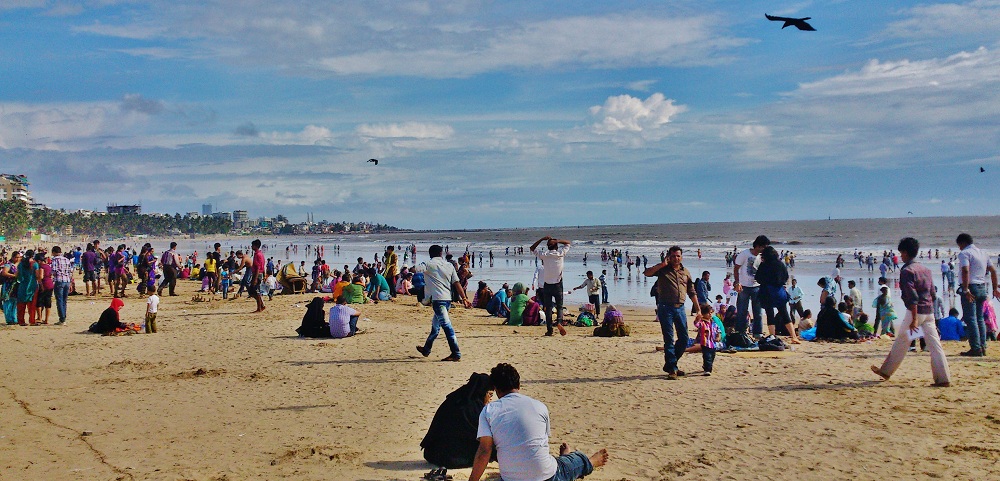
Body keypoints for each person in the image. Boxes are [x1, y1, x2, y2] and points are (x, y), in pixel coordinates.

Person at [469, 363, 609, 481]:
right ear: (518, 384)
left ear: (496, 390)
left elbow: (484, 450)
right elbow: (537, 446)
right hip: (547, 476)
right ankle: (589, 461)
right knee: (576, 459)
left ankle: (567, 459)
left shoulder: (489, 411)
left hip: (511, 478)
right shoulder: (539, 406)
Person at [872, 237, 951, 387]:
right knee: (935, 345)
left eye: (901, 253)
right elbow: (932, 294)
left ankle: (886, 371)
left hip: (915, 312)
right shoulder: (926, 269)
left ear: (906, 253)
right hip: (929, 312)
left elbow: (912, 296)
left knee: (902, 340)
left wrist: (914, 319)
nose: (900, 256)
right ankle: (943, 378)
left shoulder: (907, 271)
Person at [644, 246, 701, 379]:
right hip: (665, 308)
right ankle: (672, 370)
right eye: (673, 256)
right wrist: (662, 264)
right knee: (669, 339)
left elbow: (691, 291)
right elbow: (647, 273)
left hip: (680, 308)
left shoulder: (685, 272)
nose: (676, 258)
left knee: (684, 338)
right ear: (669, 256)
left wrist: (698, 309)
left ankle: (671, 364)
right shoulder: (663, 270)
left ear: (681, 257)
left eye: (678, 256)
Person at [420, 373, 495, 469]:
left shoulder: (455, 398)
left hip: (432, 453)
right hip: (452, 459)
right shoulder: (474, 408)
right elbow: (484, 440)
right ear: (482, 392)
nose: (490, 399)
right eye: (490, 394)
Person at [415, 245, 471, 362]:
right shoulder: (449, 265)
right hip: (447, 300)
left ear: (430, 254)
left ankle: (456, 353)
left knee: (446, 325)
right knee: (435, 327)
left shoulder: (428, 264)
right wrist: (464, 298)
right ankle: (426, 349)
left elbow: (415, 269)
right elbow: (457, 283)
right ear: (441, 253)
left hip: (438, 300)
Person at [955, 233, 999, 357]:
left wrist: (965, 289)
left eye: (959, 246)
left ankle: (975, 348)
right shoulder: (983, 253)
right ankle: (983, 346)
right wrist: (995, 288)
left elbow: (965, 270)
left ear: (963, 243)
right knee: (980, 318)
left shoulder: (965, 253)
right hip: (982, 287)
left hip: (971, 286)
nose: (959, 248)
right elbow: (993, 271)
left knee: (971, 318)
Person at [755, 246, 800, 343]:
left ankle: (772, 336)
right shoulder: (780, 264)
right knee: (784, 313)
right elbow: (786, 277)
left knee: (769, 314)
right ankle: (793, 336)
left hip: (766, 291)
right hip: (779, 291)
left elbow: (758, 278)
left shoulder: (764, 265)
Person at [530, 236, 571, 337]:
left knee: (548, 308)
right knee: (559, 306)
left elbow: (532, 248)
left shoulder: (544, 255)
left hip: (547, 285)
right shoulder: (560, 254)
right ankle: (559, 322)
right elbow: (568, 243)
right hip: (558, 284)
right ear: (556, 246)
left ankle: (549, 330)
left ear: (547, 247)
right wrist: (558, 241)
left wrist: (541, 239)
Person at [734, 235, 769, 339]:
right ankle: (740, 332)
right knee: (742, 311)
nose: (764, 249)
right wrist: (737, 282)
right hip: (744, 286)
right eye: (764, 247)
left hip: (757, 286)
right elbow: (736, 268)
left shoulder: (762, 257)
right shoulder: (745, 254)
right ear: (758, 246)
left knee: (758, 312)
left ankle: (758, 333)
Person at [693, 304, 722, 375]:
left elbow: (719, 331)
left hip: (713, 344)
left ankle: (706, 366)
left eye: (711, 313)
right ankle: (708, 370)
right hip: (705, 343)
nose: (710, 314)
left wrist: (718, 337)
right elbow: (696, 324)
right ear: (704, 314)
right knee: (707, 356)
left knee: (712, 356)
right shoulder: (702, 323)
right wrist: (697, 319)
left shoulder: (714, 323)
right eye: (708, 313)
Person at [16, 249, 41, 326]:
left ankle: (21, 321)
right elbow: (37, 276)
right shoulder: (35, 264)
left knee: (21, 304)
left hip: (22, 285)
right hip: (32, 286)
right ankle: (32, 321)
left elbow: (18, 274)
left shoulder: (21, 264)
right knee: (32, 305)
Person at [1, 251, 21, 325]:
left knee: (14, 302)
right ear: (13, 257)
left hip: (15, 285)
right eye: (16, 257)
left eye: (18, 257)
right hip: (8, 286)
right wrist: (14, 276)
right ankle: (9, 319)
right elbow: (4, 272)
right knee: (8, 302)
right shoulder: (8, 264)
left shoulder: (18, 265)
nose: (17, 258)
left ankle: (14, 318)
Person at [249, 239, 266, 313]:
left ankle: (259, 307)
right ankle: (261, 305)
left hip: (257, 274)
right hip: (258, 273)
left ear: (256, 246)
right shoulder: (259, 254)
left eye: (252, 245)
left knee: (255, 291)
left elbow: (258, 267)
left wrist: (255, 278)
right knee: (253, 291)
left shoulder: (258, 255)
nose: (251, 246)